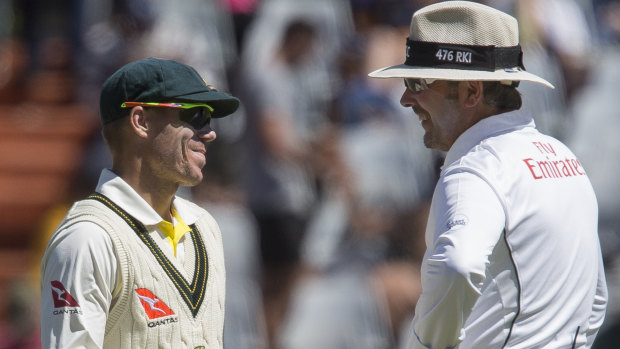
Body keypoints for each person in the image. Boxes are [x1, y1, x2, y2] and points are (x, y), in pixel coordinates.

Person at [368, 1, 608, 348]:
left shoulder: (476, 169)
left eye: (419, 81)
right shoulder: (562, 156)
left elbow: (458, 265)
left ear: (471, 92)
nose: (406, 98)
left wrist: (428, 343)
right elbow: (596, 295)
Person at [39, 57, 239, 348]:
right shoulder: (87, 239)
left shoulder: (205, 226)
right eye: (197, 116)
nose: (209, 133)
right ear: (141, 122)